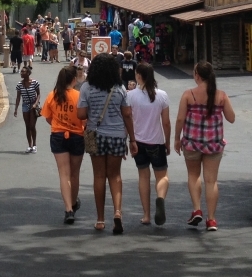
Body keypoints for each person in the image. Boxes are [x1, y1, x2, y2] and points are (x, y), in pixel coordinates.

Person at [77, 52, 137, 234]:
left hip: (95, 134)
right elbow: (127, 114)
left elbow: (80, 114)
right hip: (117, 135)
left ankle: (100, 219)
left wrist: (92, 113)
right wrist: (132, 139)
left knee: (99, 176)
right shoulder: (120, 89)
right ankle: (118, 212)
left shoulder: (87, 88)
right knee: (115, 176)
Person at [174, 61, 236, 231]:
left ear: (197, 76)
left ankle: (196, 209)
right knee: (211, 181)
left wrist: (176, 139)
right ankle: (212, 220)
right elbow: (231, 118)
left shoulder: (189, 95)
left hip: (192, 142)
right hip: (214, 144)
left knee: (194, 176)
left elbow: (180, 119)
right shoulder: (221, 95)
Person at [127, 62, 171, 226]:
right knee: (163, 176)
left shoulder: (131, 96)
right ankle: (160, 197)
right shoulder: (162, 95)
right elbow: (166, 123)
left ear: (139, 76)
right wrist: (167, 142)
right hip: (156, 142)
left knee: (143, 177)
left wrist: (129, 140)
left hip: (138, 142)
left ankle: (146, 215)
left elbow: (128, 120)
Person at [41, 66, 86, 224]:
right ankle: (73, 203)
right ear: (74, 80)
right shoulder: (79, 96)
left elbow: (47, 117)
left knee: (63, 174)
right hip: (77, 135)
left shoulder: (53, 95)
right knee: (75, 173)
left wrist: (57, 123)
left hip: (58, 135)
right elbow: (84, 119)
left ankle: (68, 209)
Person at [13, 65, 42, 153]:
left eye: (23, 72)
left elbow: (39, 94)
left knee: (32, 126)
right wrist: (16, 109)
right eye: (21, 72)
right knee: (27, 126)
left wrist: (35, 104)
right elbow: (18, 97)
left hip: (33, 105)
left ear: (28, 73)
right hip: (25, 105)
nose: (21, 73)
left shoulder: (34, 82)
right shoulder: (19, 84)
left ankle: (35, 145)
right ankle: (29, 145)